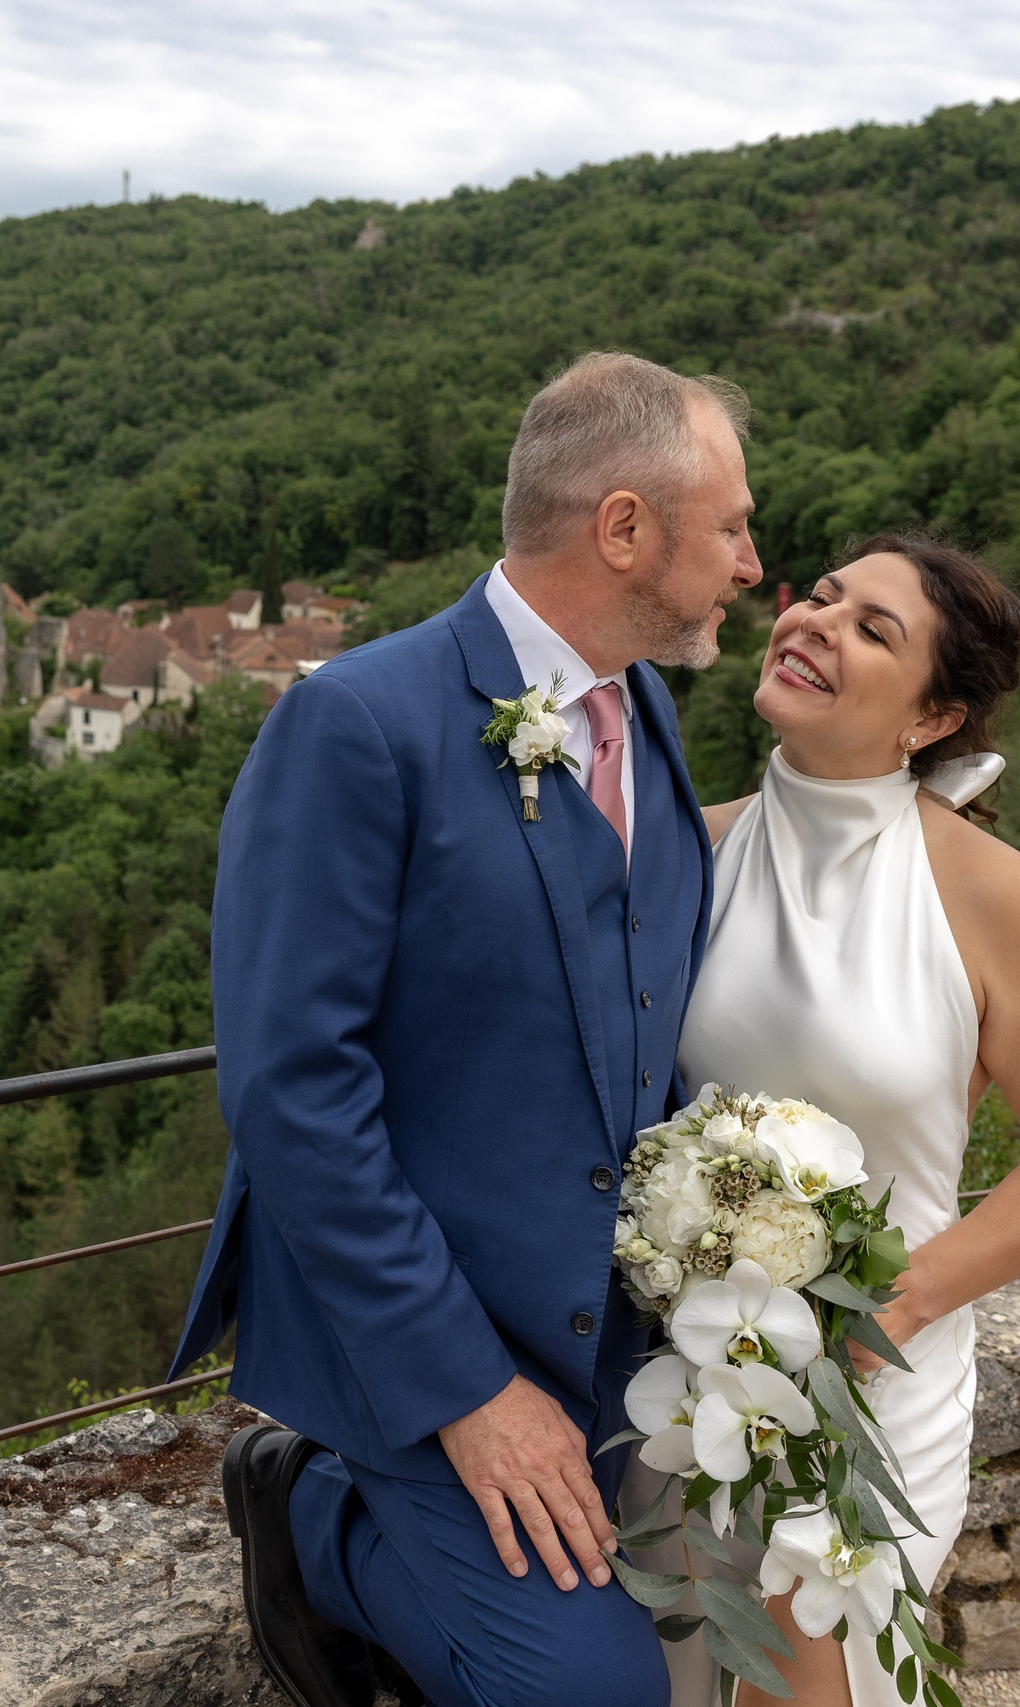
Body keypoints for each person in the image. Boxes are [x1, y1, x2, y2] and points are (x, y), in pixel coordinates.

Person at [170, 351, 762, 1707]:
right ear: (625, 527)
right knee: (598, 1691)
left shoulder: (646, 706)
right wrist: (468, 1392)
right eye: (730, 523)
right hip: (423, 1344)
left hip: (606, 1329)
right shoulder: (355, 723)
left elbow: (617, 956)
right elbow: (291, 1089)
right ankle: (314, 1509)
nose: (749, 561)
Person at [640, 533, 1020, 1706]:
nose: (815, 622)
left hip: (878, 1375)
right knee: (687, 1679)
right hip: (694, 1378)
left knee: (810, 1678)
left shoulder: (989, 895)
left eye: (874, 629)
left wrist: (897, 1300)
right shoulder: (684, 853)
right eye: (821, 596)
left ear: (931, 717)